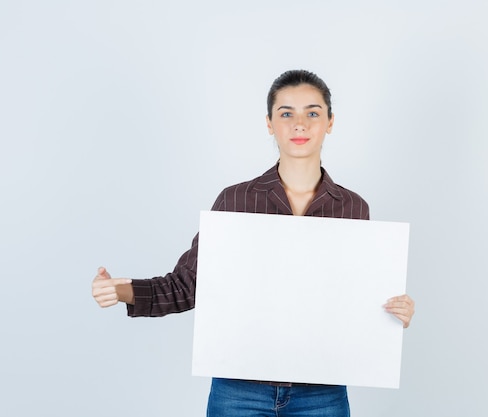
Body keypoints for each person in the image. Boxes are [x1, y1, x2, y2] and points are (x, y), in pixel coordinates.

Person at [92, 69, 415, 416]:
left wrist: (394, 313)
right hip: (239, 391)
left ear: (330, 122)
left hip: (322, 393)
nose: (300, 124)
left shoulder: (352, 208)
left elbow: (356, 300)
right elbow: (189, 284)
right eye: (286, 113)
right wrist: (123, 290)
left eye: (313, 112)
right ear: (269, 123)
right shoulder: (235, 200)